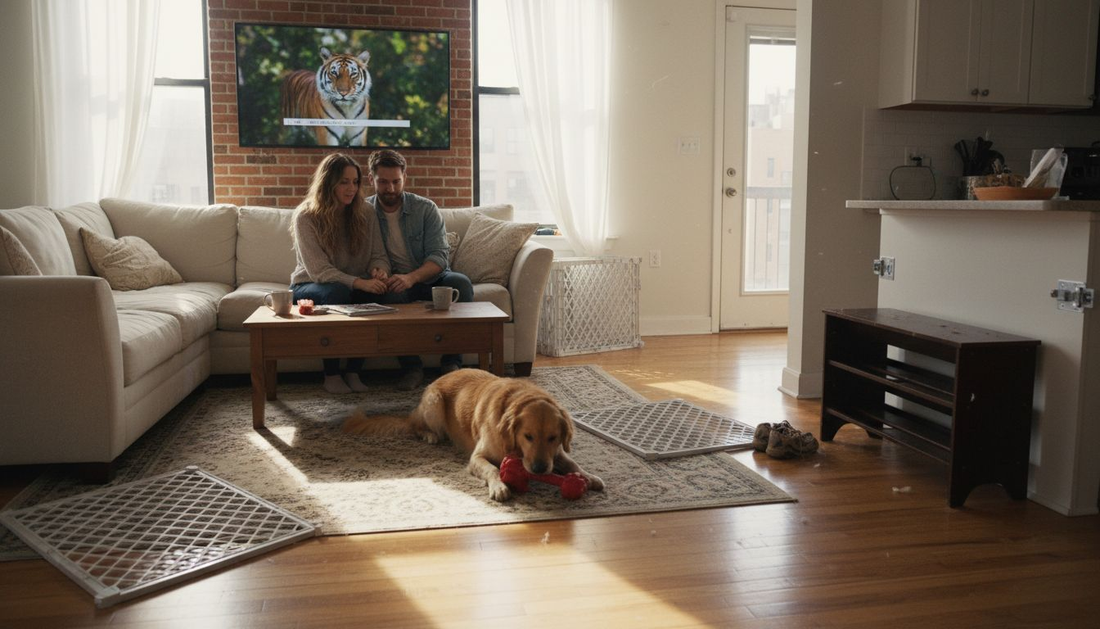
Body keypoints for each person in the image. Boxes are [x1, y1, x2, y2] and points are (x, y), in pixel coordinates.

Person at [367, 149, 474, 390]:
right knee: (390, 297)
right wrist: (378, 271)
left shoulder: (426, 209)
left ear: (405, 177)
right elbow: (363, 255)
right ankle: (411, 367)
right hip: (394, 282)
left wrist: (411, 277)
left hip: (428, 276)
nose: (391, 189)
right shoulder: (364, 212)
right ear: (371, 179)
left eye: (396, 181)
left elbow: (439, 256)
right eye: (383, 182)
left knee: (461, 284)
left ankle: (451, 363)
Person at [290, 153, 391, 394]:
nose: (351, 188)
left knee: (375, 294)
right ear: (328, 183)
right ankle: (331, 374)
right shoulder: (306, 215)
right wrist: (359, 283)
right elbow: (319, 271)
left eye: (355, 182)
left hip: (351, 284)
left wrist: (379, 271)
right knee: (338, 292)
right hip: (310, 285)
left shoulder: (365, 212)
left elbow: (379, 254)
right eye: (344, 182)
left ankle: (354, 371)